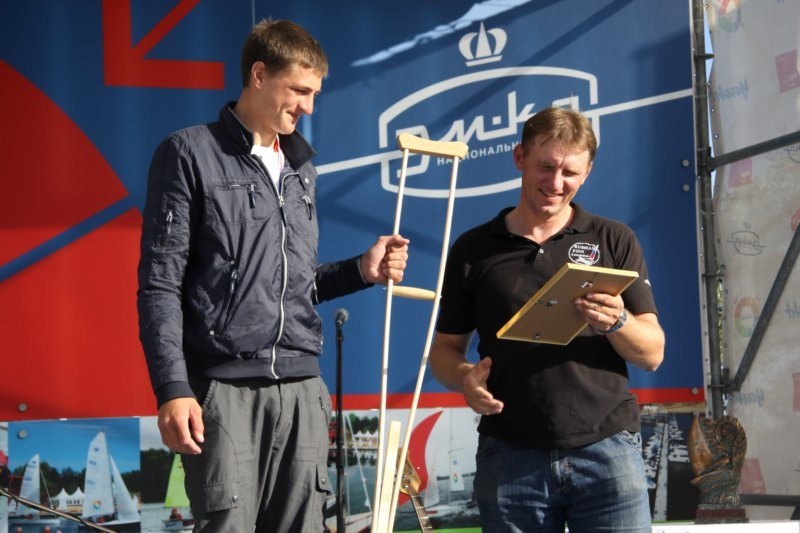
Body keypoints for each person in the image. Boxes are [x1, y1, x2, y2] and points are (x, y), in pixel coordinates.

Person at [137, 19, 409, 532]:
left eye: (314, 94)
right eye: (299, 90)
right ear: (259, 75)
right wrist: (172, 387)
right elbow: (160, 284)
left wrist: (360, 271)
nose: (309, 107)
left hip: (303, 388)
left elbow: (290, 286)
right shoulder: (189, 152)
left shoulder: (301, 169)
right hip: (224, 391)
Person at [429, 106, 664, 532]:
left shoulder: (614, 239)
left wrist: (618, 322)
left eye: (570, 172)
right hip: (509, 455)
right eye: (545, 166)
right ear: (519, 157)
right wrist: (465, 378)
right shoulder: (473, 248)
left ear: (587, 172)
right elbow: (444, 352)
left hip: (608, 450)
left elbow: (652, 353)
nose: (556, 183)